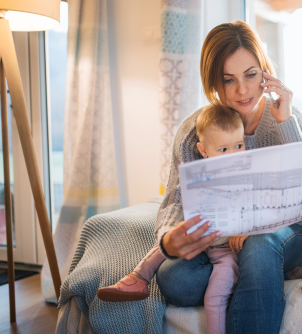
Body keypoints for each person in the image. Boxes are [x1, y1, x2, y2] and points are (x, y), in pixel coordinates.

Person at [155, 20, 302, 334]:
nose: (243, 90)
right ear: (213, 83)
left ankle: (260, 268)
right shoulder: (197, 129)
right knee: (175, 279)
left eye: (250, 75)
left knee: (258, 248)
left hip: (281, 232)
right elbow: (175, 200)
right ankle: (260, 275)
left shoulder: (287, 116)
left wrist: (286, 121)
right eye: (228, 80)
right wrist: (169, 239)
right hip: (219, 242)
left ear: (265, 71)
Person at [97, 104, 250, 334]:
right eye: (223, 149)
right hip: (204, 237)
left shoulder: (246, 172)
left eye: (239, 145)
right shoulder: (199, 174)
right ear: (204, 150)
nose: (233, 155)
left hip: (227, 251)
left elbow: (259, 208)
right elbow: (177, 202)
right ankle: (138, 277)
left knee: (215, 295)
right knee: (168, 240)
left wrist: (245, 228)